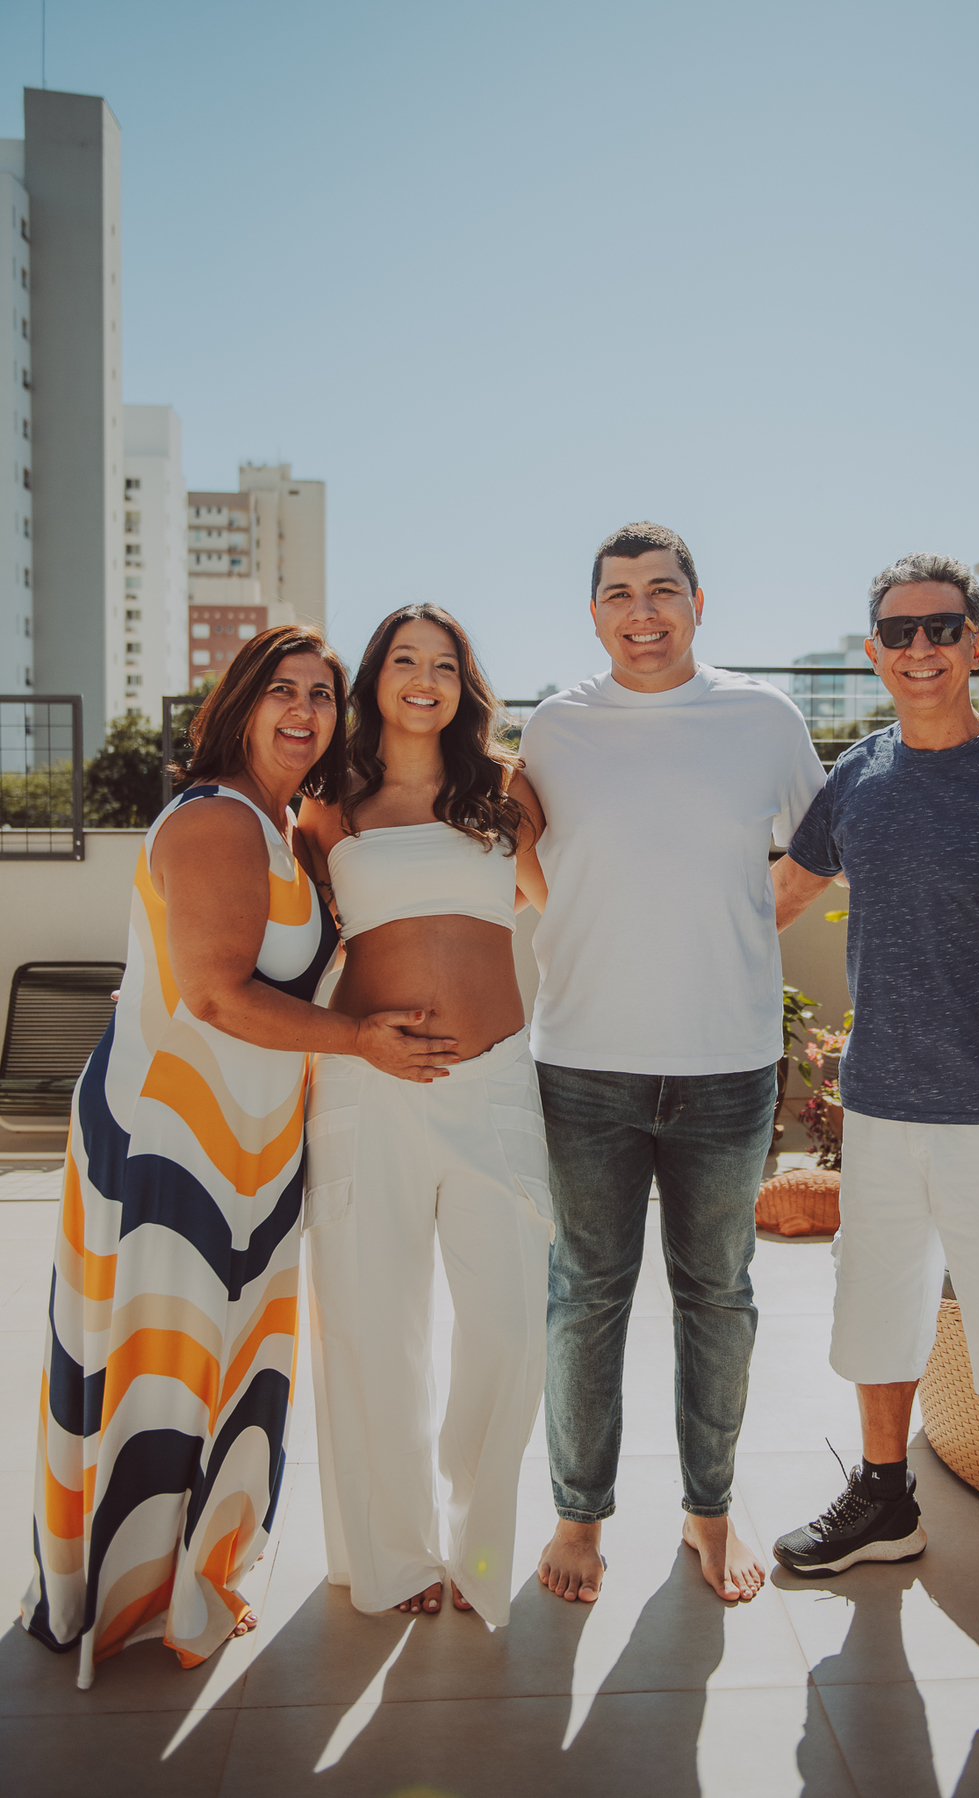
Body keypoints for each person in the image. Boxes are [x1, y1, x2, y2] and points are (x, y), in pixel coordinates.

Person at [21, 625, 442, 1689]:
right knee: (163, 1362)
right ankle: (131, 1597)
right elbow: (214, 994)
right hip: (174, 1138)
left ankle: (189, 1577)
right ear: (240, 703)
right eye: (280, 690)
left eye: (322, 695)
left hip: (249, 1137)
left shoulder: (286, 824)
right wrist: (359, 1042)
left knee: (227, 1357)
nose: (304, 711)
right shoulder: (216, 818)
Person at [772, 552, 979, 1675]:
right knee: (877, 1315)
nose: (919, 647)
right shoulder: (858, 776)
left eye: (940, 627)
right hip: (879, 1112)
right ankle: (885, 1500)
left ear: (975, 641)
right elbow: (774, 897)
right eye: (897, 630)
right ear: (874, 651)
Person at [521, 521, 826, 1605]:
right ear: (593, 613)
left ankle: (710, 1508)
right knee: (585, 1297)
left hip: (726, 1064)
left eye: (662, 590)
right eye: (618, 593)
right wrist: (580, 922)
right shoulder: (552, 726)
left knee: (717, 1296)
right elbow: (520, 855)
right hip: (583, 1063)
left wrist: (745, 918)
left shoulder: (765, 717)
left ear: (699, 604)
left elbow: (818, 847)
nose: (641, 611)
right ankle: (579, 1517)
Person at [297, 603, 552, 1628]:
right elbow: (294, 936)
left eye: (444, 664)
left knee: (510, 1327)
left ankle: (480, 1544)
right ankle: (393, 1553)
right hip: (370, 1088)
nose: (424, 679)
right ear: (374, 679)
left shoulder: (505, 790)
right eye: (404, 660)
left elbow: (546, 898)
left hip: (496, 1081)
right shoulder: (329, 804)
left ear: (464, 685)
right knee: (371, 1325)